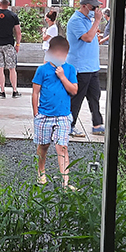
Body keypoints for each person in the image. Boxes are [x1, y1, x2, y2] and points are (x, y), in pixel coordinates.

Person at [32, 35, 78, 190]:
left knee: (62, 147)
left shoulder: (70, 69)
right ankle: (41, 171)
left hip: (63, 115)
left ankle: (65, 182)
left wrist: (62, 76)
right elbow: (35, 92)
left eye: (63, 54)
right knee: (43, 146)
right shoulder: (42, 70)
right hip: (44, 115)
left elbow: (74, 90)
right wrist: (36, 113)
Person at [66, 0, 104, 136]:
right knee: (77, 97)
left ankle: (97, 124)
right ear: (84, 6)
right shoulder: (76, 21)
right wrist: (98, 21)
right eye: (93, 7)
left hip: (92, 66)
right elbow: (87, 38)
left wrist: (95, 22)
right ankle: (69, 125)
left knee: (95, 96)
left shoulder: (89, 20)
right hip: (80, 67)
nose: (96, 9)